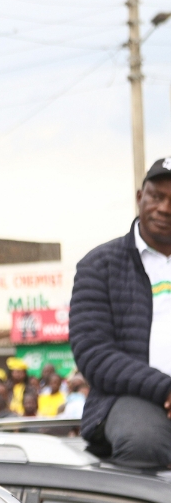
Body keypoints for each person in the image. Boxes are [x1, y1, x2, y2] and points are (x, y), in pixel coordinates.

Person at [70, 158, 171, 468]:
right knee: (143, 441)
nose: (165, 208)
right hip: (130, 398)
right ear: (140, 197)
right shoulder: (100, 265)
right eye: (157, 196)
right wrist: (165, 390)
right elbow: (94, 355)